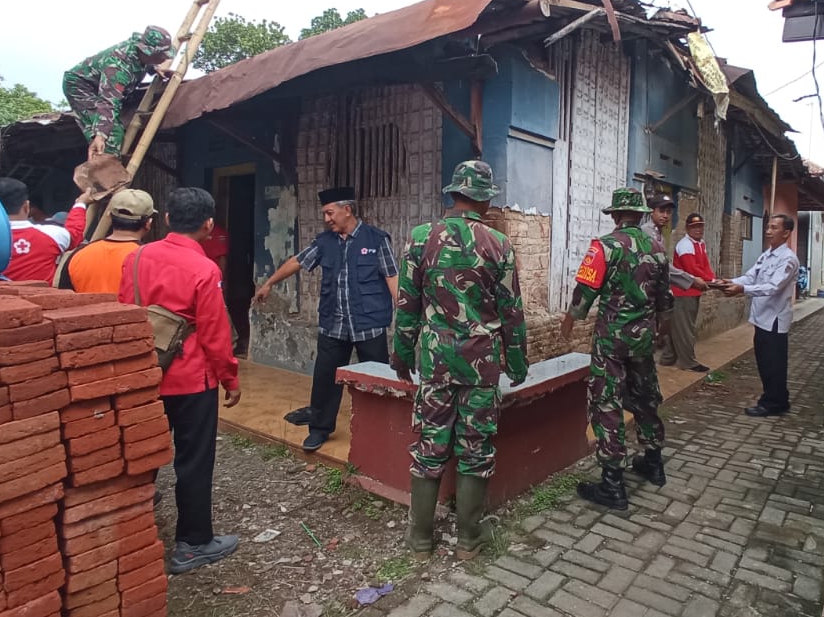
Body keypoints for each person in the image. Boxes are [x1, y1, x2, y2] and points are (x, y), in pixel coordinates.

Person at [391, 160, 528, 561]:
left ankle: (419, 540)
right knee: (476, 446)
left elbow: (407, 308)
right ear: (485, 200)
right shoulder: (498, 245)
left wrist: (402, 357)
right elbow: (511, 312)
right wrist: (517, 364)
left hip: (435, 362)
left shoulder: (419, 239)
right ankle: (469, 539)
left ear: (453, 194)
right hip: (482, 365)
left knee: (430, 443)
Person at [117, 187, 241, 574]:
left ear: (166, 218)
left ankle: (128, 534)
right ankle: (193, 543)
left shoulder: (136, 258)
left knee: (142, 457)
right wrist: (230, 378)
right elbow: (215, 333)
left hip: (146, 373)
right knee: (193, 461)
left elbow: (126, 313)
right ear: (208, 225)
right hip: (191, 379)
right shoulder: (206, 269)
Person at [253, 187, 398, 452]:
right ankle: (319, 429)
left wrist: (405, 311)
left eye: (330, 213)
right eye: (324, 214)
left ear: (347, 210)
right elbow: (298, 261)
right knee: (324, 380)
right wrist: (269, 283)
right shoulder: (324, 242)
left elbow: (391, 276)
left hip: (369, 324)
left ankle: (379, 432)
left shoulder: (376, 239)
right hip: (333, 325)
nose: (327, 219)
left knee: (377, 382)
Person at [561, 188, 674, 509]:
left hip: (611, 341)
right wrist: (661, 334)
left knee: (607, 403)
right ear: (640, 214)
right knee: (645, 396)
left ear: (615, 215)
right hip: (643, 340)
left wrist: (568, 323)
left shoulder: (605, 247)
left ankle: (613, 483)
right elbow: (665, 302)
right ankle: (654, 461)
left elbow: (585, 292)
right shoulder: (656, 248)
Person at [711, 214, 800, 417]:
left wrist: (741, 289)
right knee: (764, 361)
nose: (768, 231)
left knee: (773, 364)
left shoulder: (788, 260)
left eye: (774, 228)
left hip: (775, 320)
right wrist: (730, 281)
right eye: (768, 227)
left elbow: (773, 286)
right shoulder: (767, 255)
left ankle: (772, 403)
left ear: (786, 233)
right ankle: (778, 399)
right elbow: (751, 276)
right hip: (762, 318)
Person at [62, 26, 175, 160]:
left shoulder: (140, 55)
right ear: (148, 52)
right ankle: (106, 173)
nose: (164, 59)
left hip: (106, 88)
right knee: (112, 133)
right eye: (161, 56)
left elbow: (141, 63)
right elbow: (108, 102)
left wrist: (154, 69)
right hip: (80, 86)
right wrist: (101, 136)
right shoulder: (118, 68)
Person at [0, 177, 90, 283]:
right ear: (26, 206)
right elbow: (75, 233)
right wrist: (80, 204)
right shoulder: (52, 235)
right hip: (41, 298)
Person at [61, 189, 155, 294]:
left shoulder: (78, 255)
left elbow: (64, 299)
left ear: (109, 216)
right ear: (148, 223)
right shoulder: (151, 260)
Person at [668, 213, 717, 372]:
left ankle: (668, 358)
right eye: (694, 227)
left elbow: (704, 265)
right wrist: (709, 280)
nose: (698, 229)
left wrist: (712, 278)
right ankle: (688, 362)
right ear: (687, 228)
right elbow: (691, 268)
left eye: (700, 226)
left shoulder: (700, 244)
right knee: (686, 328)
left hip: (693, 291)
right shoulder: (685, 245)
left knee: (679, 326)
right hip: (683, 291)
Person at [202, 222, 251, 357]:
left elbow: (222, 258)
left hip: (213, 279)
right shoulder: (197, 232)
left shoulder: (218, 234)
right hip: (201, 278)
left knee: (221, 310)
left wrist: (221, 280)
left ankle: (232, 342)